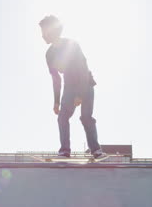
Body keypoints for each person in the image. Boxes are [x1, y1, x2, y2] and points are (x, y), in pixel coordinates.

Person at [39, 15, 106, 158]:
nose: (42, 36)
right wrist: (56, 101)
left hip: (85, 83)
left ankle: (95, 150)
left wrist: (80, 94)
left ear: (52, 30)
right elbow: (55, 78)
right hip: (69, 85)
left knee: (86, 117)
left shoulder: (72, 44)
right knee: (62, 117)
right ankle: (65, 150)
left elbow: (82, 68)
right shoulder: (49, 54)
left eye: (44, 32)